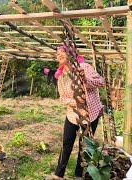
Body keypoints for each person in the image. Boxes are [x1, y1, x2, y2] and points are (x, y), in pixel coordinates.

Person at [52, 45, 105, 180]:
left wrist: (85, 80)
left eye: (61, 52)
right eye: (57, 54)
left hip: (89, 112)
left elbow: (100, 81)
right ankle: (59, 174)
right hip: (72, 113)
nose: (58, 55)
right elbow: (63, 98)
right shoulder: (62, 76)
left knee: (84, 144)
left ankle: (78, 174)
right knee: (67, 142)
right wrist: (76, 101)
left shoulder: (84, 67)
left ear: (70, 54)